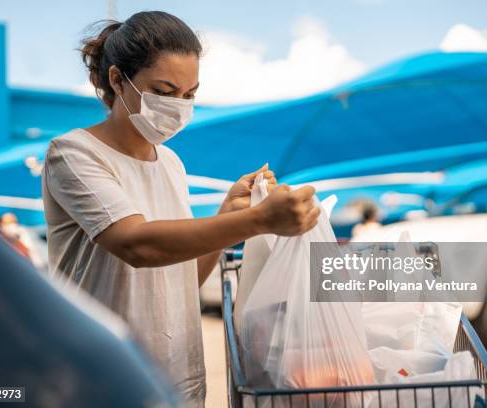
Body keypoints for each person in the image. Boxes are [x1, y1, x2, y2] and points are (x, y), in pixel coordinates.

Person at [41, 11, 320, 407]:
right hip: (106, 380)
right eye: (164, 91)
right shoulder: (74, 153)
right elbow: (137, 245)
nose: (178, 106)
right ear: (118, 80)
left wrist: (228, 216)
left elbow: (180, 276)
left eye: (189, 95)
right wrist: (258, 219)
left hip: (178, 379)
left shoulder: (171, 163)